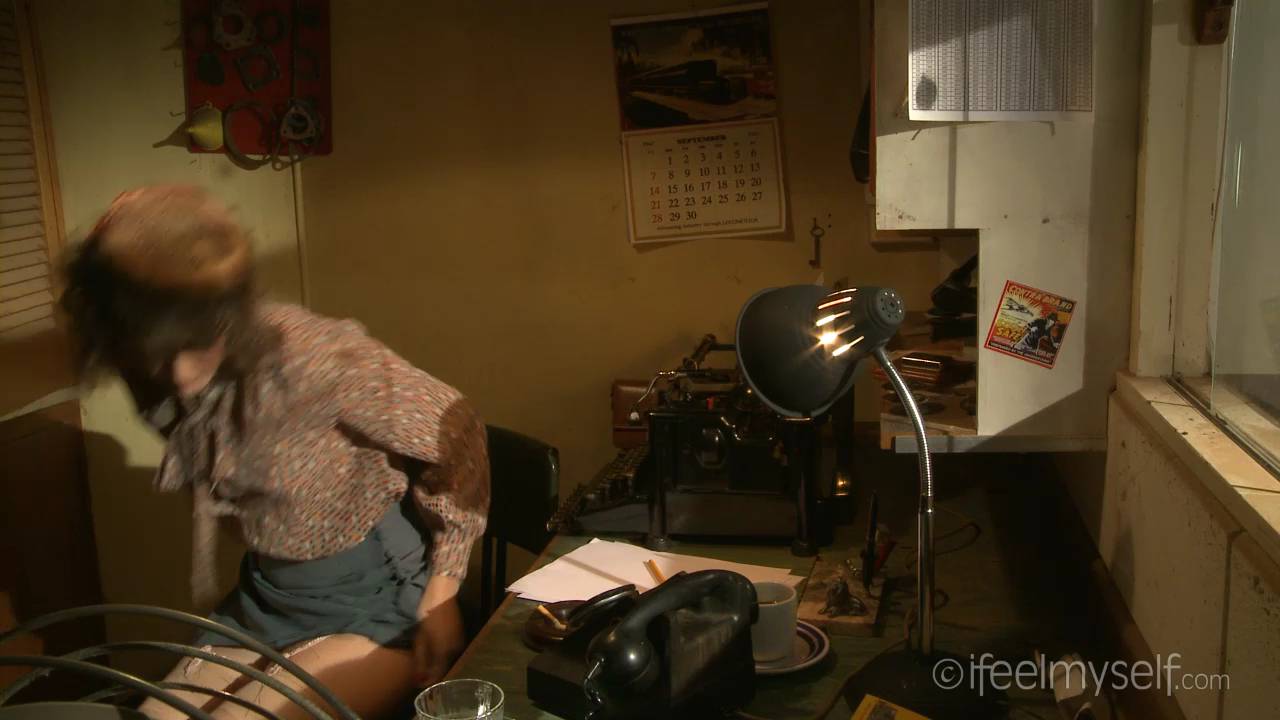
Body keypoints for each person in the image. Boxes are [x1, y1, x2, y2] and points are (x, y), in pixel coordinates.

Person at [59, 186, 489, 719]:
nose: (180, 376)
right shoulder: (141, 356)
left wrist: (443, 590)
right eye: (157, 355)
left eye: (194, 346)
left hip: (379, 597)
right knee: (155, 716)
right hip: (269, 595)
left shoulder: (310, 357)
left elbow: (456, 430)